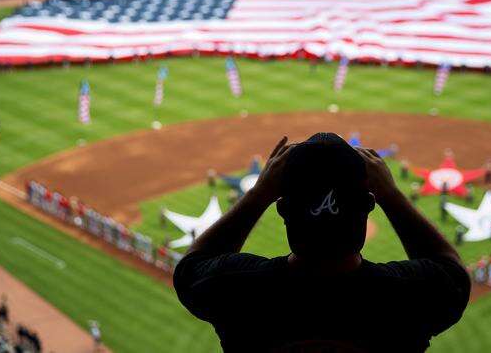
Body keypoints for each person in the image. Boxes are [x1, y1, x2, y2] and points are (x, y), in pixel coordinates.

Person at [174, 133, 470, 352]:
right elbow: (452, 274)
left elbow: (190, 268)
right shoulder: (408, 297)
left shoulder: (237, 289)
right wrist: (391, 195)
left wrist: (259, 193)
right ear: (370, 204)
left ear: (282, 209)